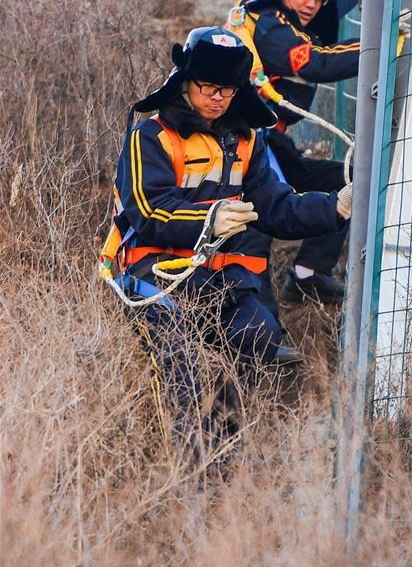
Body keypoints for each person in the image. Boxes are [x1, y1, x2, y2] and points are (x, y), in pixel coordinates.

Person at [106, 26, 352, 453]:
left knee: (258, 333)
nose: (217, 97)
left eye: (227, 89)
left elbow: (275, 206)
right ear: (185, 82)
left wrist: (334, 208)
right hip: (152, 276)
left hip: (218, 279)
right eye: (208, 87)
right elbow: (149, 214)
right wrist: (211, 219)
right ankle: (187, 475)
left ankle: (226, 453)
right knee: (179, 365)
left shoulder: (247, 140)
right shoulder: (150, 137)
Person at [228, 0, 363, 307]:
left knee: (343, 177)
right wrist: (379, 43)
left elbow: (327, 8)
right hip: (246, 147)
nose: (311, 3)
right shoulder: (271, 27)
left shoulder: (283, 14)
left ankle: (307, 276)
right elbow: (315, 62)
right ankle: (260, 340)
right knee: (254, 233)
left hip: (272, 143)